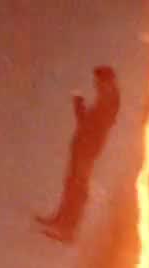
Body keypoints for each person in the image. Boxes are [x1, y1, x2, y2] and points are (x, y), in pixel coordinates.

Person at [35, 65, 121, 243]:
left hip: (88, 148)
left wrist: (79, 108)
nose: (96, 86)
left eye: (99, 82)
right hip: (84, 146)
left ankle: (68, 228)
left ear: (107, 82)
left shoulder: (109, 103)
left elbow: (92, 126)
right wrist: (80, 107)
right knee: (72, 183)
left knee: (77, 186)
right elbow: (88, 124)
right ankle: (62, 220)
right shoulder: (106, 100)